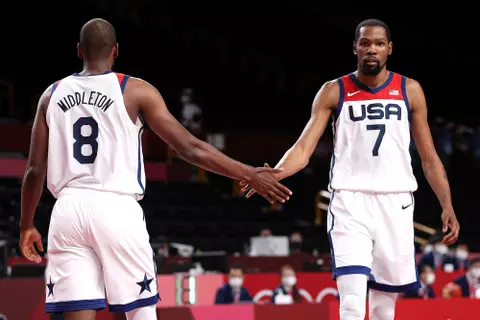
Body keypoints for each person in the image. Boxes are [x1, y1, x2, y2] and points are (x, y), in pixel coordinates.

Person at [18, 18, 291, 320]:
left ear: (79, 50)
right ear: (116, 50)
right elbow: (190, 148)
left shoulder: (51, 94)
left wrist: (26, 225)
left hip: (67, 210)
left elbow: (34, 171)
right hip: (116, 206)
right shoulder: (134, 90)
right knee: (141, 312)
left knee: (76, 313)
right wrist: (248, 173)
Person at [240, 18, 460, 319]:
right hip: (349, 200)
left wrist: (446, 204)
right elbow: (303, 149)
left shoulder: (410, 90)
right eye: (365, 42)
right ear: (355, 47)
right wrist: (275, 173)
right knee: (352, 301)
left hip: (396, 201)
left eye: (379, 43)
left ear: (390, 49)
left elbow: (429, 158)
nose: (372, 49)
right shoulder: (333, 90)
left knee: (384, 307)